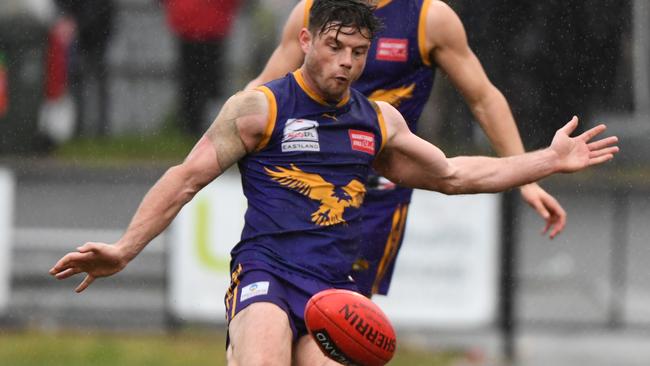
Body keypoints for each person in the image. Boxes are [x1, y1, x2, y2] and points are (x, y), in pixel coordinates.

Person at [49, 1, 618, 364]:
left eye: (358, 52)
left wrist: (546, 161)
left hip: (333, 289)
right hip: (267, 275)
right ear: (305, 39)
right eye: (335, 47)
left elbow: (453, 174)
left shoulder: (377, 121)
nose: (346, 62)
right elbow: (181, 181)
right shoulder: (258, 110)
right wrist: (124, 249)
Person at [244, 0, 569, 297]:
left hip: (379, 191)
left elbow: (483, 98)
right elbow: (263, 90)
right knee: (283, 303)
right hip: (311, 186)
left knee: (342, 315)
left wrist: (527, 176)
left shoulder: (429, 18)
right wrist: (229, 138)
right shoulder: (312, 10)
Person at [163, 0, 242, 137]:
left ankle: (193, 124)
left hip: (195, 26)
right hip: (207, 26)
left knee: (195, 81)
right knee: (205, 81)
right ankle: (199, 124)